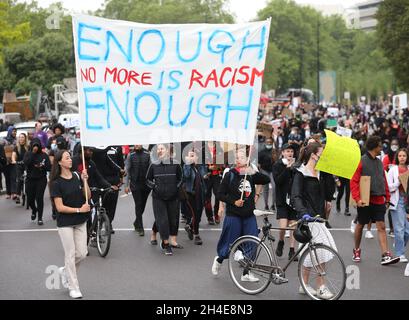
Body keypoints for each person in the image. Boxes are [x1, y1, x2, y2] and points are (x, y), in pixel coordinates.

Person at [211, 148, 270, 279]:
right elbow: (220, 194)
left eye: (242, 157)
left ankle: (246, 273)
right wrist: (233, 201)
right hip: (234, 214)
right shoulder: (230, 174)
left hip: (249, 214)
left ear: (247, 159)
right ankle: (219, 259)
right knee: (229, 243)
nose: (238, 159)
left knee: (252, 242)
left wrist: (253, 171)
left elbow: (266, 180)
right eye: (237, 157)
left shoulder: (251, 174)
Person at [290, 142, 338, 299]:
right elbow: (295, 196)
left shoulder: (322, 173)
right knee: (320, 252)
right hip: (307, 218)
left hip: (319, 217)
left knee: (312, 253)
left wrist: (329, 175)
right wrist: (303, 213)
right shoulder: (300, 172)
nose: (323, 155)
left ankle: (303, 284)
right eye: (321, 153)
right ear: (313, 155)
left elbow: (329, 193)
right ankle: (321, 286)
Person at [350, 135, 400, 265]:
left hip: (379, 199)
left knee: (382, 226)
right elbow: (354, 181)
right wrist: (357, 198)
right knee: (360, 225)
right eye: (380, 145)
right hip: (365, 200)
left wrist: (387, 197)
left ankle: (385, 255)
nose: (381, 148)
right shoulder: (362, 161)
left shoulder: (379, 162)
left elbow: (384, 181)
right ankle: (356, 250)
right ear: (374, 147)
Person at [50, 150, 91, 299]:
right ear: (60, 162)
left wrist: (85, 180)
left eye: (69, 157)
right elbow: (60, 207)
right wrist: (80, 209)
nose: (70, 160)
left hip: (80, 221)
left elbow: (88, 195)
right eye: (67, 158)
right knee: (70, 254)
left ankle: (65, 271)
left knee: (82, 253)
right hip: (65, 223)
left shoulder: (75, 176)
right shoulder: (56, 183)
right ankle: (74, 287)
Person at [146, 144, 183, 255]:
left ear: (167, 151)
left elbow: (181, 178)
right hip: (158, 197)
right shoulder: (153, 164)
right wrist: (155, 187)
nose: (159, 151)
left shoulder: (176, 164)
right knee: (162, 220)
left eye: (161, 149)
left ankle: (173, 241)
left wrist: (176, 187)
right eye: (158, 149)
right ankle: (166, 243)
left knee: (173, 219)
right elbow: (147, 179)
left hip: (173, 196)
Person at [272, 143, 297, 260]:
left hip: (293, 200)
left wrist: (293, 168)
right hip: (282, 200)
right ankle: (281, 241)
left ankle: (292, 250)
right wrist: (287, 169)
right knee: (283, 227)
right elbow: (278, 181)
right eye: (287, 151)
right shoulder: (277, 165)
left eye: (291, 151)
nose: (290, 154)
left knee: (293, 226)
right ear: (282, 153)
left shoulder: (296, 165)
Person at [92, 146, 124, 232]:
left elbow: (118, 162)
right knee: (102, 204)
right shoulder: (97, 148)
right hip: (101, 179)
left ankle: (109, 223)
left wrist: (120, 172)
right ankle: (98, 225)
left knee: (112, 203)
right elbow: (100, 152)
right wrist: (108, 145)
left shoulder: (117, 147)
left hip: (114, 179)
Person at [387, 148, 409, 263]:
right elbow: (389, 187)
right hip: (397, 201)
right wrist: (399, 182)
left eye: (404, 156)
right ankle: (400, 253)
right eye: (400, 156)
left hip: (407, 202)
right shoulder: (393, 170)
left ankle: (398, 242)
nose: (402, 158)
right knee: (400, 229)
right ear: (397, 157)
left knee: (407, 231)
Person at [124, 145, 152, 236]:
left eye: (139, 143)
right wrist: (126, 185)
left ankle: (136, 222)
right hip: (135, 184)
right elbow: (127, 171)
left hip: (146, 184)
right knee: (138, 204)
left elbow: (152, 169)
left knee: (142, 205)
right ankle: (140, 227)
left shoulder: (148, 154)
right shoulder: (130, 155)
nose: (137, 145)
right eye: (135, 143)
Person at [23, 138, 51, 225]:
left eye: (37, 146)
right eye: (34, 146)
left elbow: (49, 167)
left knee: (39, 198)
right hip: (30, 179)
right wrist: (33, 153)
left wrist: (41, 167)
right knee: (30, 198)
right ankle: (34, 210)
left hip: (41, 179)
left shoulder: (44, 155)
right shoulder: (28, 154)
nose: (36, 147)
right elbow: (26, 163)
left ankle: (40, 218)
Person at [183, 149, 208, 245]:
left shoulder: (200, 167)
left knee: (198, 216)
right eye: (190, 155)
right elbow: (187, 175)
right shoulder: (187, 166)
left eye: (194, 156)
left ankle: (189, 226)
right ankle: (196, 235)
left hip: (200, 194)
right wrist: (188, 163)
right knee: (195, 215)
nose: (192, 157)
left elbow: (203, 176)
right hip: (190, 194)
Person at [204, 141, 224, 225]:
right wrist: (208, 167)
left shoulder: (219, 149)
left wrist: (218, 166)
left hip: (217, 176)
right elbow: (199, 162)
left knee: (218, 196)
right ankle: (209, 217)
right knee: (207, 197)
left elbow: (223, 163)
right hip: (207, 176)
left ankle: (216, 215)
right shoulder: (203, 148)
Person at [258, 137, 277, 211]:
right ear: (265, 143)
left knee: (274, 187)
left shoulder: (275, 152)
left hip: (273, 171)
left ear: (272, 143)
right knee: (265, 188)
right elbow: (259, 163)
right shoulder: (261, 152)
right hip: (264, 170)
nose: (269, 143)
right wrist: (260, 172)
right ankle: (266, 205)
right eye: (267, 142)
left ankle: (273, 204)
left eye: (270, 142)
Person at [11, 133, 29, 204]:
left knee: (29, 179)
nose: (21, 139)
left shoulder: (28, 147)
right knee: (19, 179)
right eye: (20, 137)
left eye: (23, 137)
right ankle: (18, 195)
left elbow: (31, 155)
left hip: (26, 165)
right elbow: (13, 155)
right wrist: (14, 161)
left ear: (25, 138)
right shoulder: (16, 147)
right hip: (19, 164)